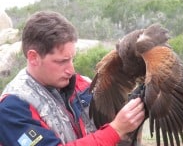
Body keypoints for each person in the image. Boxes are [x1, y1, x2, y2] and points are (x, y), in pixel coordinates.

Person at [0, 11, 145, 146]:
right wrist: (116, 130)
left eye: (72, 59)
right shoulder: (12, 109)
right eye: (61, 61)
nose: (71, 70)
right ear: (33, 57)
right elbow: (112, 130)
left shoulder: (82, 85)